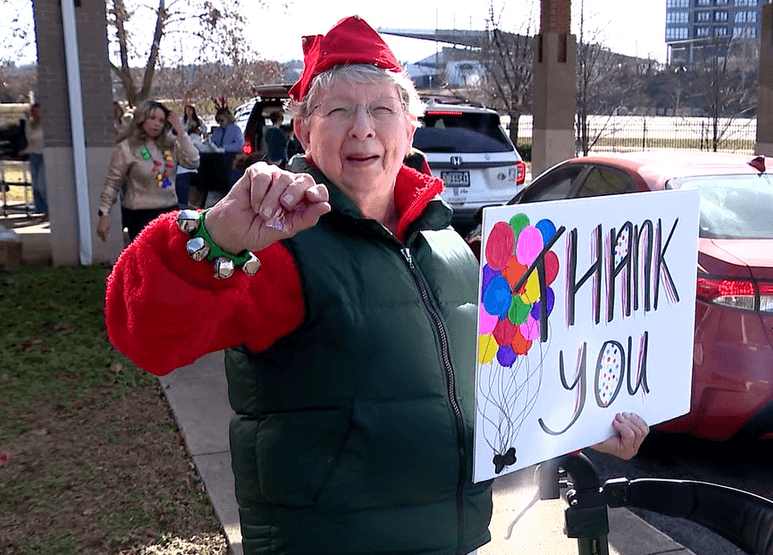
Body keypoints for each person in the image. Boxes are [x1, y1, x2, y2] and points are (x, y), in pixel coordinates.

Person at [104, 15, 648, 555]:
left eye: (382, 109)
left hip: (453, 541)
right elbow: (146, 336)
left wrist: (581, 426)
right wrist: (214, 237)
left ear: (411, 127)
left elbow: (492, 391)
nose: (362, 127)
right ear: (303, 130)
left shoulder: (449, 246)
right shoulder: (274, 243)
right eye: (338, 109)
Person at [97, 100, 200, 242]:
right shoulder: (126, 148)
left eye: (161, 120)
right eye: (152, 118)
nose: (157, 124)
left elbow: (193, 161)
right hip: (139, 215)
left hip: (169, 211)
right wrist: (104, 214)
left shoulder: (170, 145)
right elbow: (112, 184)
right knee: (146, 260)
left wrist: (181, 131)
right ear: (141, 119)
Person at [21, 103, 47, 217]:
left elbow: (36, 136)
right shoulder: (30, 124)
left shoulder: (45, 125)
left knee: (42, 185)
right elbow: (30, 138)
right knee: (35, 185)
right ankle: (41, 210)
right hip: (33, 155)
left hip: (43, 155)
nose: (35, 113)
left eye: (37, 111)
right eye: (33, 111)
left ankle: (49, 209)